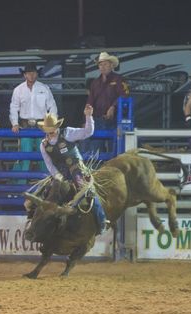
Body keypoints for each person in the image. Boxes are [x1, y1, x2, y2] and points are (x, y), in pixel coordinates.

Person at [35, 104, 109, 236]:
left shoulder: (67, 133)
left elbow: (88, 132)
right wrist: (58, 177)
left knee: (87, 190)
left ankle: (101, 220)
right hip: (60, 173)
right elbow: (49, 165)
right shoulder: (43, 145)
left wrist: (88, 116)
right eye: (48, 129)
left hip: (76, 168)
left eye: (52, 129)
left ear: (57, 127)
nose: (50, 132)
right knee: (46, 193)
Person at [9, 62, 57, 173]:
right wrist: (15, 123)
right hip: (25, 128)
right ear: (25, 75)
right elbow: (13, 107)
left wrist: (52, 125)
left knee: (44, 158)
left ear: (36, 74)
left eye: (33, 73)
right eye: (28, 73)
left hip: (42, 127)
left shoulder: (44, 88)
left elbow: (52, 107)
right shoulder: (18, 90)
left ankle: (46, 186)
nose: (31, 75)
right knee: (25, 157)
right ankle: (22, 186)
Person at [82, 52, 130, 155]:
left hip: (116, 120)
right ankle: (99, 170)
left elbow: (124, 96)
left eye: (105, 64)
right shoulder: (95, 83)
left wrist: (113, 107)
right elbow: (90, 102)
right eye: (100, 64)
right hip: (98, 120)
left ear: (111, 65)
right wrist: (86, 119)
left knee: (115, 149)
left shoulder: (118, 79)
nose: (102, 67)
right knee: (97, 150)